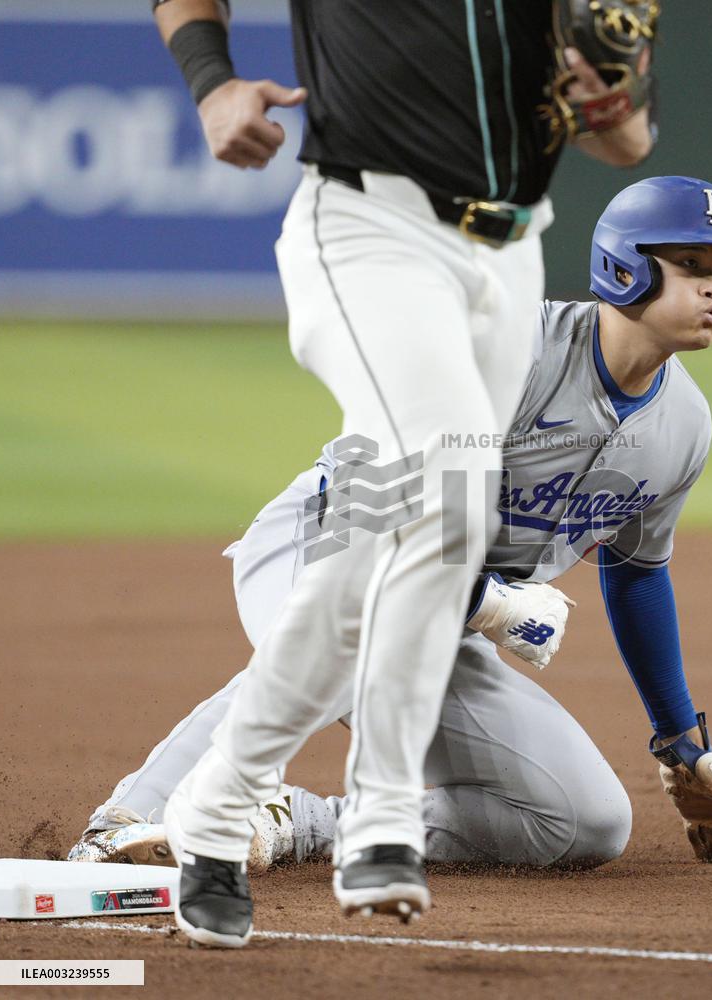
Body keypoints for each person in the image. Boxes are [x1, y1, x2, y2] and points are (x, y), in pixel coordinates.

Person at [71, 175, 712, 901]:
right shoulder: (511, 351)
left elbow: (636, 572)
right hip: (331, 542)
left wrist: (681, 743)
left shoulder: (684, 425)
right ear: (625, 267)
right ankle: (126, 820)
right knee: (352, 630)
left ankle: (297, 824)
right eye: (691, 266)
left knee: (585, 820)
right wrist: (489, 604)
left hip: (440, 610)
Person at [150, 0, 660, 948]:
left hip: (507, 253)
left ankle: (216, 806)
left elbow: (628, 135)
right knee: (454, 490)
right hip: (368, 228)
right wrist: (211, 78)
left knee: (402, 528)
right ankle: (380, 814)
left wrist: (609, 98)